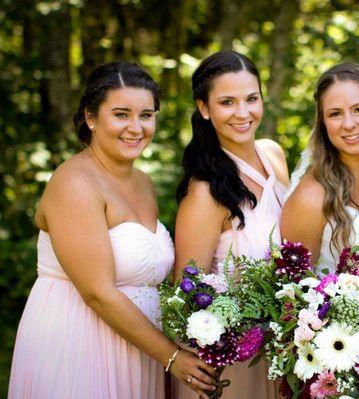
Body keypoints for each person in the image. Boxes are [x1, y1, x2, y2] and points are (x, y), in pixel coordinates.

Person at [8, 62, 216, 399]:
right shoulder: (74, 184)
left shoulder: (143, 183)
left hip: (140, 347)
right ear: (91, 117)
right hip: (80, 343)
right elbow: (97, 292)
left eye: (146, 115)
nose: (136, 127)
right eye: (121, 114)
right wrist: (172, 356)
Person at [173, 51, 288, 399]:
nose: (243, 113)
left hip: (286, 350)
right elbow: (186, 293)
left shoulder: (274, 156)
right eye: (227, 102)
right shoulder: (206, 192)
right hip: (233, 362)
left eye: (251, 99)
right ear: (204, 108)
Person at [281, 63, 359, 274]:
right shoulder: (310, 198)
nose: (348, 124)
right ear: (323, 123)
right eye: (335, 114)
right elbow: (291, 293)